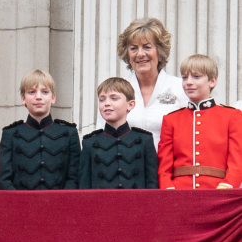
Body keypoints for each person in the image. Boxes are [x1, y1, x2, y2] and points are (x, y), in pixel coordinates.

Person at [157, 55, 242, 189]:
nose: (188, 82)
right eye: (185, 77)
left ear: (212, 81)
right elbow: (164, 165)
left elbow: (237, 159)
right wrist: (168, 188)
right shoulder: (171, 119)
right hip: (179, 193)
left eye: (196, 77)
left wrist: (228, 185)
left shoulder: (232, 115)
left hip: (218, 191)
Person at [0, 70, 81, 190]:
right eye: (32, 92)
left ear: (53, 98)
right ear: (23, 99)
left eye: (45, 92)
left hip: (60, 206)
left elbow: (75, 178)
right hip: (21, 206)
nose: (38, 97)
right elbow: (3, 181)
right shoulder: (11, 134)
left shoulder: (69, 133)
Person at [107, 18, 185, 146]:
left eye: (147, 47)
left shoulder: (180, 88)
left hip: (166, 164)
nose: (140, 54)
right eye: (133, 48)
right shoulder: (116, 90)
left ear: (159, 51)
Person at [79, 77, 157, 189]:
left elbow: (152, 183)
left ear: (130, 105)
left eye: (114, 98)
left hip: (137, 205)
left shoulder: (144, 140)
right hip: (100, 205)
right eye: (102, 99)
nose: (106, 103)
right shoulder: (90, 142)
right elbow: (84, 185)